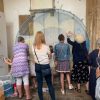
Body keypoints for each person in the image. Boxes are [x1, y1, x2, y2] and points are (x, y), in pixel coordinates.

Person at [32, 31, 56, 100]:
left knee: (39, 85)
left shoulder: (33, 47)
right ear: (42, 37)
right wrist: (49, 56)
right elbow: (50, 57)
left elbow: (34, 57)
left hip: (37, 66)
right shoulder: (46, 47)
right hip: (45, 66)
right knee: (49, 84)